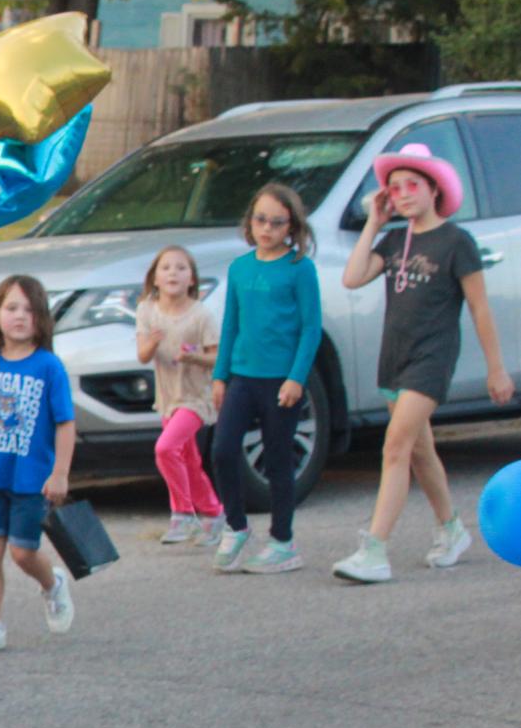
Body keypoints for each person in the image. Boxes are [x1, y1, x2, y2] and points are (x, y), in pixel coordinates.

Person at [333, 143, 514, 584]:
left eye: (412, 185)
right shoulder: (395, 240)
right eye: (394, 188)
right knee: (420, 451)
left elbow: (480, 309)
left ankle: (374, 549)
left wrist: (496, 368)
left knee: (394, 447)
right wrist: (374, 223)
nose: (403, 194)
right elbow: (352, 276)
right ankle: (451, 529)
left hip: (432, 360)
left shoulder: (456, 242)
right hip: (394, 358)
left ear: (435, 190)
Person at [0, 275, 76, 657]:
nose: (19, 316)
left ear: (41, 319)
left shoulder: (49, 367)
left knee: (23, 553)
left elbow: (65, 423)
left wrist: (60, 472)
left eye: (28, 309)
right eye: (11, 308)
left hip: (32, 479)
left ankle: (52, 583)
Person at [210, 183, 323, 575]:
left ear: (291, 226)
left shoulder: (299, 268)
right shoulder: (240, 268)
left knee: (277, 461)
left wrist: (296, 378)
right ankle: (236, 525)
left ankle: (282, 541)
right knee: (223, 449)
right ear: (250, 221)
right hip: (242, 376)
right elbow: (230, 324)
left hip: (280, 382)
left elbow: (311, 328)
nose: (267, 228)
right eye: (261, 219)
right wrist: (220, 375)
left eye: (277, 222)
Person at [134, 246, 223, 546]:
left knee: (165, 449)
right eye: (166, 267)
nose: (173, 272)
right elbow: (143, 355)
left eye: (181, 268)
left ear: (192, 280)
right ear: (155, 279)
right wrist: (152, 341)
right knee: (188, 460)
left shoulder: (201, 315)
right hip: (167, 399)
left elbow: (217, 358)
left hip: (196, 399)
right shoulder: (147, 311)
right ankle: (213, 513)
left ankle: (182, 514)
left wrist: (196, 356)